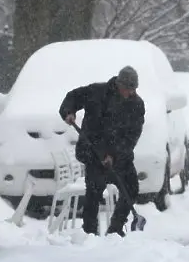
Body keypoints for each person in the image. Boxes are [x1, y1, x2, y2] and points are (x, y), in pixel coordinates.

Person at [58, 66, 145, 237]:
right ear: (119, 84)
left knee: (131, 188)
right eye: (128, 89)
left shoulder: (136, 104)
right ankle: (90, 233)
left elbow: (133, 135)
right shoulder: (97, 92)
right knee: (94, 192)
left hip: (120, 157)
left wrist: (115, 154)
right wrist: (68, 112)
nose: (131, 93)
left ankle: (116, 228)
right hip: (93, 152)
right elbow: (73, 97)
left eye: (133, 89)